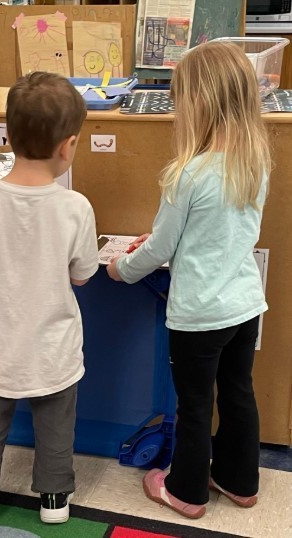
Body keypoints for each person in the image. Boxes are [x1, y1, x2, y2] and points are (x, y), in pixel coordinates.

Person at [107, 41, 271, 519]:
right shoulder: (254, 162)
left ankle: (185, 492)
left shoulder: (188, 174)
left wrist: (121, 269)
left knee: (195, 404)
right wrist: (166, 237)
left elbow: (160, 249)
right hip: (243, 306)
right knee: (239, 393)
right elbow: (219, 231)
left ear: (196, 104)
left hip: (199, 315)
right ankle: (241, 483)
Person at [0, 71, 99, 537]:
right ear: (68, 146)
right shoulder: (76, 207)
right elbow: (83, 274)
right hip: (54, 349)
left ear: (6, 138)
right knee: (56, 427)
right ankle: (54, 500)